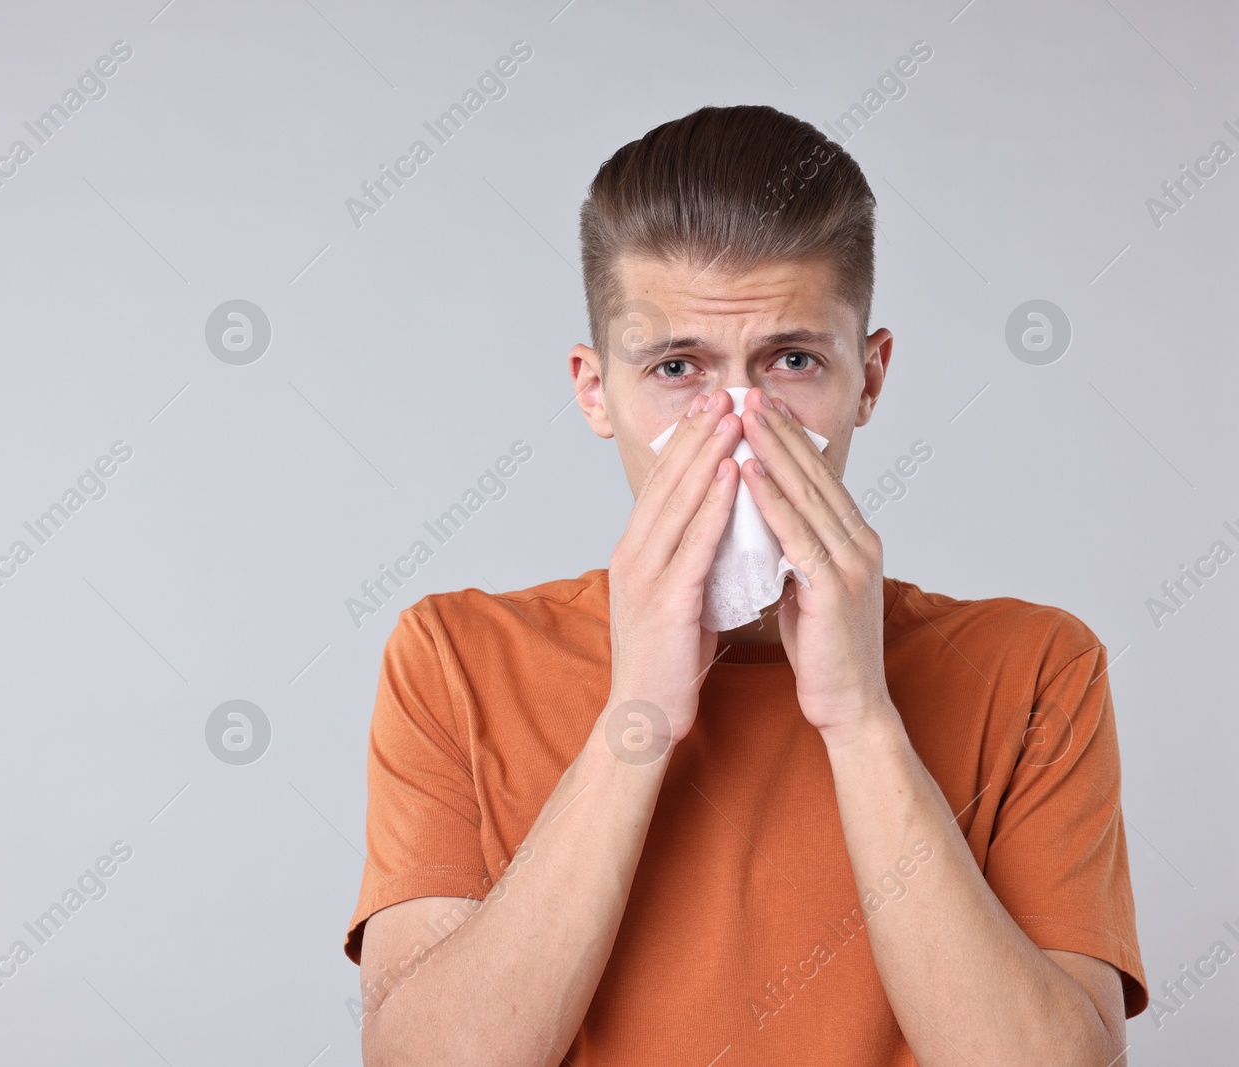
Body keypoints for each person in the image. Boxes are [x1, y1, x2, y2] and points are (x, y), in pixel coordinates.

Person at [343, 103, 1145, 1065]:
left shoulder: (1037, 670)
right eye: (677, 367)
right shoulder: (454, 659)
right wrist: (637, 712)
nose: (735, 422)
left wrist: (861, 719)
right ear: (596, 390)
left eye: (793, 361)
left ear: (870, 378)